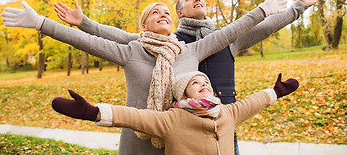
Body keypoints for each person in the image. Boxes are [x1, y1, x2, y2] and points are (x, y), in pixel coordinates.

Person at [1, 0, 286, 155]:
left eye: (166, 12)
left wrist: (262, 11)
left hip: (184, 145)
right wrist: (40, 22)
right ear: (144, 24)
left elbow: (231, 31)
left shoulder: (191, 51)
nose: (163, 14)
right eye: (155, 12)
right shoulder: (131, 50)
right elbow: (84, 42)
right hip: (138, 142)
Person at [53, 0, 322, 154]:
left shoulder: (227, 39)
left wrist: (299, 7)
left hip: (222, 123)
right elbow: (120, 37)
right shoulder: (170, 43)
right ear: (179, 12)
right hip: (177, 128)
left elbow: (265, 26)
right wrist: (84, 23)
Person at [51, 71, 299, 155]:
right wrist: (92, 112)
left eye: (206, 81)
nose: (204, 84)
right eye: (196, 83)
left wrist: (276, 91)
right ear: (184, 96)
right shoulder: (172, 119)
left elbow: (254, 102)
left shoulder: (227, 112)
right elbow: (133, 117)